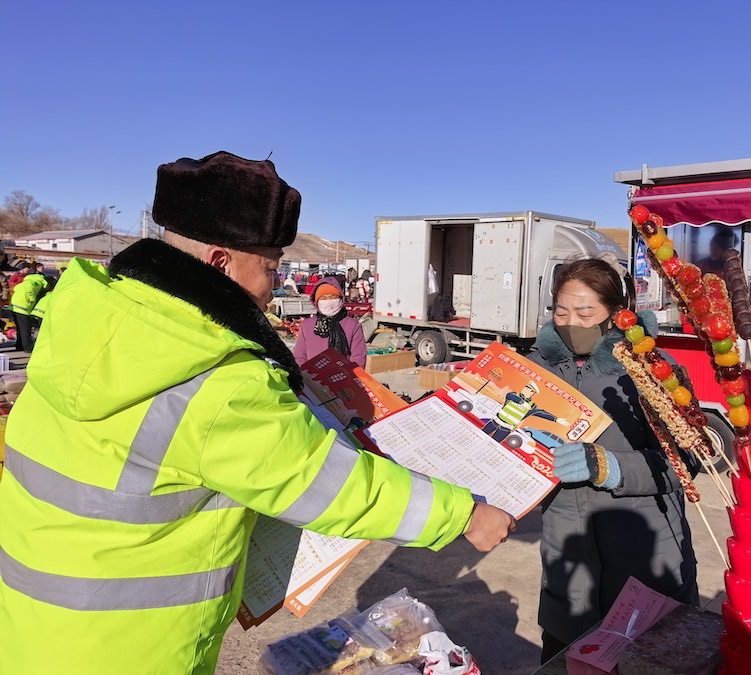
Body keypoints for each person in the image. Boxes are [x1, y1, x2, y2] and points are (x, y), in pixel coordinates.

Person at [0, 151, 515, 674]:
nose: (273, 288)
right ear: (219, 263)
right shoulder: (216, 376)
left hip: (33, 630)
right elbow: (327, 482)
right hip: (128, 648)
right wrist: (462, 514)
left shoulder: (85, 322)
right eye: (270, 268)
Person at [528, 256, 699, 663]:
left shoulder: (653, 370)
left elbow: (688, 460)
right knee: (564, 663)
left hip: (645, 562)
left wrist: (613, 467)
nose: (571, 322)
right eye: (561, 312)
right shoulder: (535, 370)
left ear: (617, 313)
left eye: (585, 313)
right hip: (568, 565)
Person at [293, 277, 367, 368]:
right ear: (316, 301)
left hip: (344, 375)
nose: (328, 301)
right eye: (323, 298)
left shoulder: (353, 325)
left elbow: (358, 358)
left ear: (341, 298)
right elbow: (299, 357)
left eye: (333, 297)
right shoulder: (307, 325)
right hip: (311, 375)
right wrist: (305, 374)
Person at [481, 381, 569, 444]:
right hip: (495, 422)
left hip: (506, 428)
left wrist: (556, 419)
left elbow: (541, 413)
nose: (525, 389)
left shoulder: (531, 406)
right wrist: (522, 402)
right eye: (526, 386)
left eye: (528, 388)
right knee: (480, 436)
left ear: (532, 392)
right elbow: (511, 397)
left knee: (493, 444)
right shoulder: (513, 395)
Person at [9, 268, 47, 352]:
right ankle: (27, 347)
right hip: (22, 307)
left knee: (20, 328)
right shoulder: (37, 282)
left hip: (14, 306)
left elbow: (16, 288)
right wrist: (32, 299)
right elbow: (30, 288)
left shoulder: (26, 281)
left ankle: (20, 345)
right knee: (25, 328)